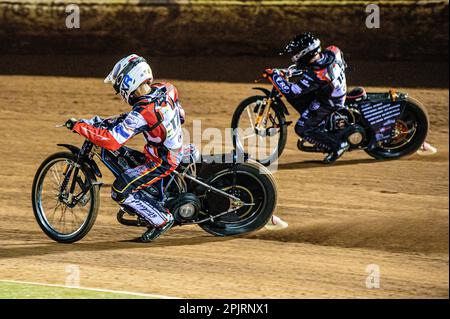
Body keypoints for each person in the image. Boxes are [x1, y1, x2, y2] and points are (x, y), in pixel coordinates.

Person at [65, 54, 185, 242]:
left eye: (118, 84)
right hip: (174, 149)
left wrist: (81, 127)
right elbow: (181, 114)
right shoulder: (167, 89)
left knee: (120, 190)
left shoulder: (143, 112)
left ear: (130, 79)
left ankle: (161, 219)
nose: (118, 90)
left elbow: (112, 140)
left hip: (161, 160)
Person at [269, 32, 349, 164]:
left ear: (306, 53)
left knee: (302, 128)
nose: (294, 58)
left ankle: (337, 146)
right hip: (335, 90)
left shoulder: (316, 75)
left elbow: (291, 92)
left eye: (297, 54)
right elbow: (316, 68)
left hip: (329, 102)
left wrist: (274, 76)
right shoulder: (333, 51)